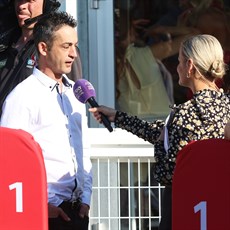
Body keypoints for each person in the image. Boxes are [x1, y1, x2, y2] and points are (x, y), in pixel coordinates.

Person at [89, 34, 230, 229]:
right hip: (222, 201)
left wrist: (163, 147)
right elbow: (162, 132)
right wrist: (118, 116)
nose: (177, 67)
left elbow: (169, 172)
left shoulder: (185, 114)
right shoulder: (226, 105)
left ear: (189, 65)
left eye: (179, 61)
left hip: (187, 205)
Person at [0, 11, 92, 230]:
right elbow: (10, 161)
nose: (73, 54)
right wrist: (43, 203)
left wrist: (86, 197)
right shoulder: (22, 96)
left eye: (75, 46)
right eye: (66, 46)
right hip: (44, 214)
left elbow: (83, 149)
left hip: (78, 210)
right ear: (43, 48)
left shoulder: (75, 93)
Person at [0, 0, 82, 117]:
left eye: (30, 1)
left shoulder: (58, 50)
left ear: (46, 4)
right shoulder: (5, 45)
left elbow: (70, 102)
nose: (21, 6)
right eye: (18, 0)